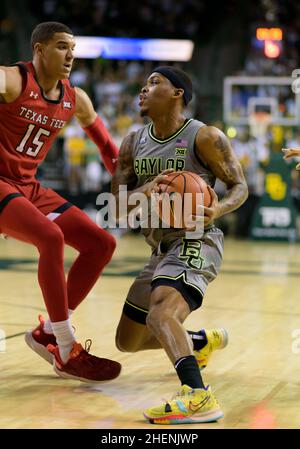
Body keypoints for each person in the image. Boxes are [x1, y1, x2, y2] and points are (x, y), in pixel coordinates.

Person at [111, 66, 248, 424]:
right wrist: (150, 186)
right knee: (128, 341)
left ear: (178, 93)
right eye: (144, 84)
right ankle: (198, 342)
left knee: (160, 312)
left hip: (195, 239)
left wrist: (216, 208)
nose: (144, 89)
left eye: (154, 82)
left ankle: (198, 396)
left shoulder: (205, 137)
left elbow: (240, 186)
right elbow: (117, 204)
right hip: (158, 249)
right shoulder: (132, 143)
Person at [0, 22, 121, 382]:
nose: (70, 55)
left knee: (101, 243)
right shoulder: (11, 81)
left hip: (26, 187)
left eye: (72, 48)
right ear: (38, 49)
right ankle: (67, 350)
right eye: (60, 47)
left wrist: (126, 184)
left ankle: (50, 332)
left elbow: (104, 145)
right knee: (50, 238)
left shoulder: (75, 97)